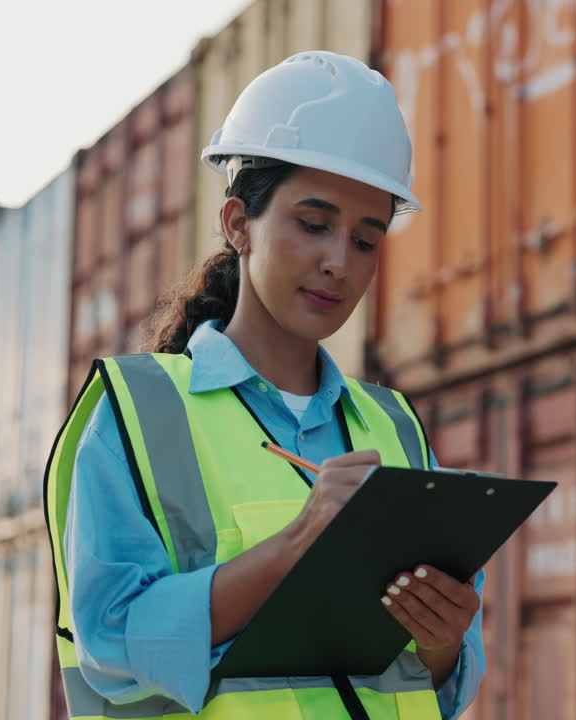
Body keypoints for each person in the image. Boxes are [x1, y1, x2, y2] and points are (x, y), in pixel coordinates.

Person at [44, 51, 485, 720]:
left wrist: (445, 642)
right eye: (313, 225)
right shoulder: (140, 414)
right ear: (236, 224)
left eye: (367, 240)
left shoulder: (392, 426)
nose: (339, 262)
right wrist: (295, 545)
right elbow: (110, 642)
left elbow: (435, 684)